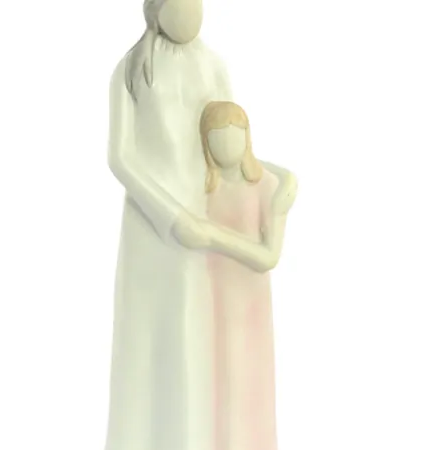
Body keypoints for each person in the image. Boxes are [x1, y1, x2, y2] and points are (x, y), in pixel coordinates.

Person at [106, 1, 296, 449]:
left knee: (203, 340)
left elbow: (234, 144)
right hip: (153, 225)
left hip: (208, 212)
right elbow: (120, 156)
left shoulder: (212, 65)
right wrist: (172, 217)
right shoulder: (132, 71)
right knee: (154, 341)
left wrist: (277, 179)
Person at [198, 100, 293, 450]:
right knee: (214, 383)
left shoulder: (265, 186)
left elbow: (269, 256)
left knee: (249, 383)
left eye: (235, 136)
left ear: (248, 138)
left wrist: (212, 236)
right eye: (217, 139)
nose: (227, 146)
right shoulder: (204, 185)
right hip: (211, 300)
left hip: (249, 304)